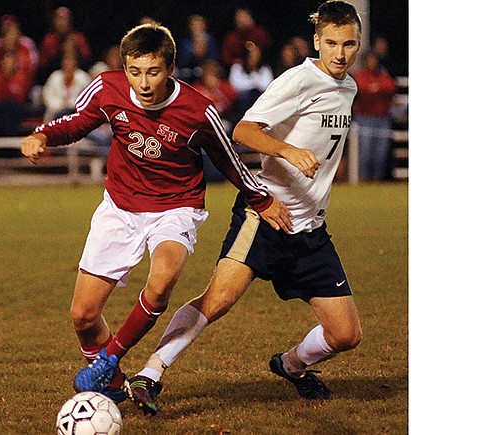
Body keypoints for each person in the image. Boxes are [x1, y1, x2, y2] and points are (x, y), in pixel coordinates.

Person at [20, 22, 291, 404]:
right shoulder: (108, 87)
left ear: (170, 69)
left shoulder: (198, 110)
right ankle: (112, 385)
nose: (143, 83)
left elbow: (228, 160)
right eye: (135, 71)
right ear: (125, 66)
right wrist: (43, 134)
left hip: (175, 208)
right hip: (120, 207)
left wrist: (261, 198)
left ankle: (108, 359)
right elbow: (76, 123)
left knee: (161, 284)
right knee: (82, 315)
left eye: (153, 72)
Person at [128, 0, 363, 415]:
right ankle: (150, 373)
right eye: (331, 43)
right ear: (316, 41)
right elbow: (245, 129)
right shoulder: (297, 81)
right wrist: (289, 151)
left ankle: (291, 366)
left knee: (346, 334)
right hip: (267, 215)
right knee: (217, 300)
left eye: (348, 44)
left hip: (310, 230)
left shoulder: (349, 87)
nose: (340, 54)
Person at [352, 51, 397, 181]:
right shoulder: (361, 75)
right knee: (365, 152)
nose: (372, 63)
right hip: (364, 118)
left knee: (381, 153)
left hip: (382, 118)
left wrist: (375, 89)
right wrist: (377, 89)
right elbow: (361, 88)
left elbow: (390, 87)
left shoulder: (383, 74)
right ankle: (362, 179)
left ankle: (378, 180)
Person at [37, 7, 93, 85]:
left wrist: (74, 51)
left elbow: (88, 64)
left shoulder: (79, 39)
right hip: (55, 80)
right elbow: (42, 68)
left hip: (76, 79)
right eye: (59, 19)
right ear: (54, 21)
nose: (62, 23)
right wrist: (60, 52)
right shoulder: (49, 40)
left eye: (65, 19)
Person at [228, 41, 273, 124]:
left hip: (259, 98)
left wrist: (250, 84)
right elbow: (235, 85)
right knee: (246, 96)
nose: (254, 57)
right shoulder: (237, 68)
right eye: (252, 54)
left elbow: (267, 86)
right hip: (241, 99)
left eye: (256, 54)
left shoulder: (265, 69)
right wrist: (253, 84)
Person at [41, 52, 91, 123]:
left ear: (75, 62)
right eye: (67, 60)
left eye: (71, 60)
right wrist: (60, 105)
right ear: (62, 62)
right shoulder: (55, 76)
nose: (69, 63)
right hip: (56, 110)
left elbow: (87, 98)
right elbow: (47, 95)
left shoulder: (83, 77)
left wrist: (70, 105)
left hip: (76, 112)